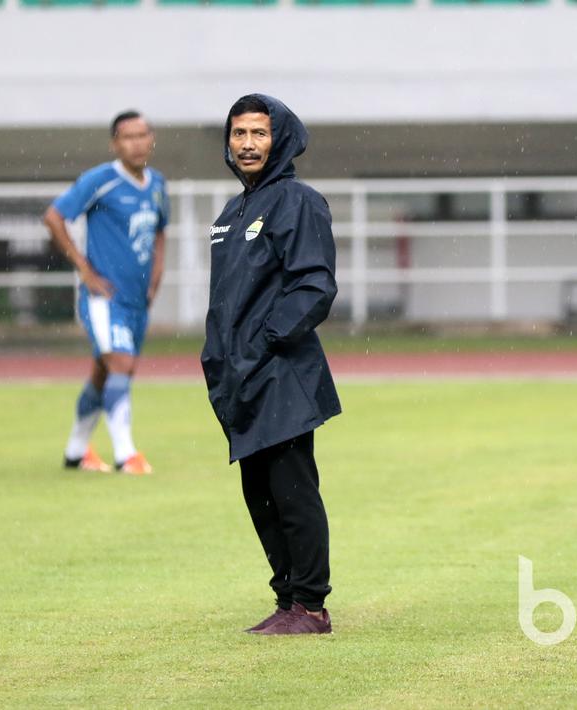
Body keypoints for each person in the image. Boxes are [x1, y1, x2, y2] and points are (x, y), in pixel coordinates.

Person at [201, 94, 341, 635]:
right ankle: (287, 600)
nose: (248, 144)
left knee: (292, 491)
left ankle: (310, 606)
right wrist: (221, 356)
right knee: (259, 496)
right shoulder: (231, 213)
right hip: (239, 378)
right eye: (239, 134)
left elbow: (315, 285)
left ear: (279, 138)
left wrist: (265, 339)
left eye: (259, 133)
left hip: (281, 373)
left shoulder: (297, 201)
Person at [44, 110, 168, 475]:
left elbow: (161, 230)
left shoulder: (158, 184)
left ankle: (76, 451)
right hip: (104, 297)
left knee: (104, 371)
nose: (137, 142)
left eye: (143, 134)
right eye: (128, 136)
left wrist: (158, 274)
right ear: (115, 143)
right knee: (121, 365)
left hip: (136, 300)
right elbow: (54, 216)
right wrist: (84, 269)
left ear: (152, 138)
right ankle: (125, 454)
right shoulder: (100, 180)